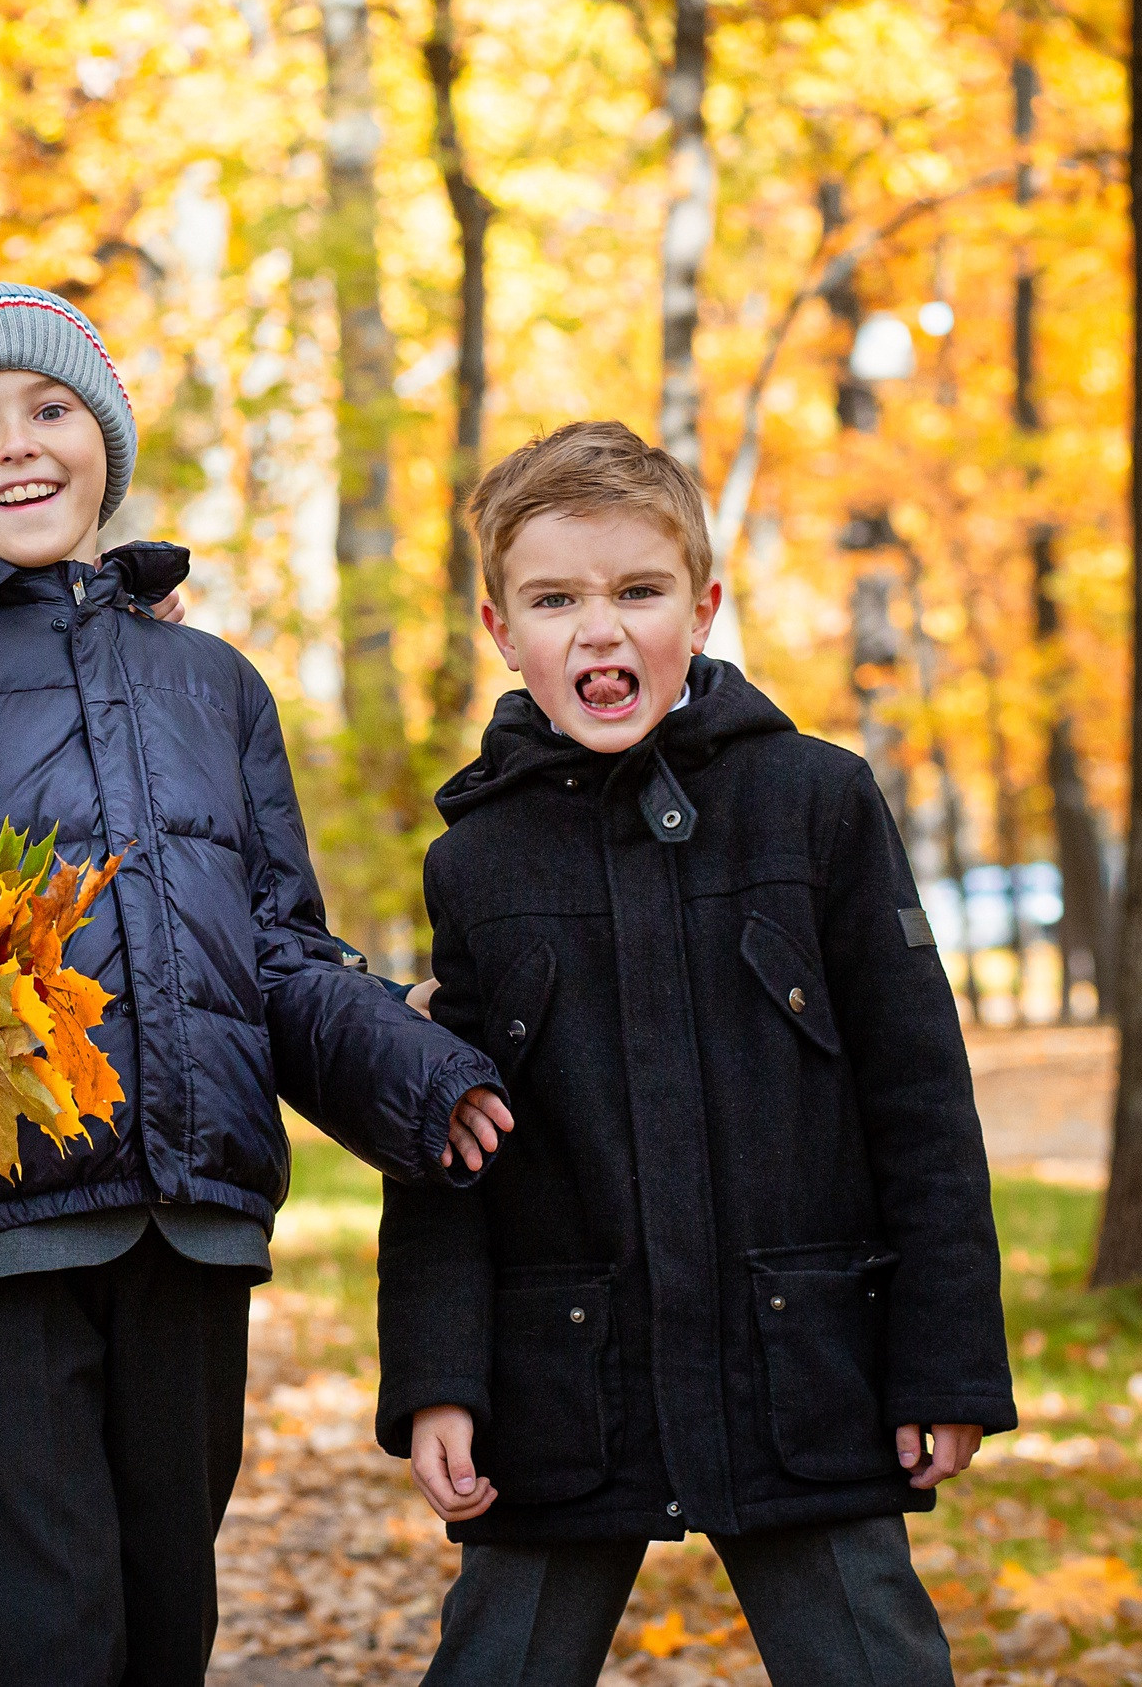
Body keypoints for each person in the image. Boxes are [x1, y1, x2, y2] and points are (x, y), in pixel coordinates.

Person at [0, 282, 514, 1687]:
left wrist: (408, 1072)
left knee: (170, 1607)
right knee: (50, 1622)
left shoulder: (213, 682)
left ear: (104, 439)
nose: (17, 443)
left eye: (51, 408)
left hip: (196, 1213)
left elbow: (277, 945)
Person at [377, 420, 1017, 1685]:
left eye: (637, 591)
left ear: (703, 608)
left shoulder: (816, 804)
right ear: (501, 631)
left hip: (801, 1367)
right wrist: (439, 1380)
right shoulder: (475, 862)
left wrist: (943, 1363)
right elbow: (446, 1150)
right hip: (565, 1384)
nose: (597, 630)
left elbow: (920, 1104)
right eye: (553, 600)